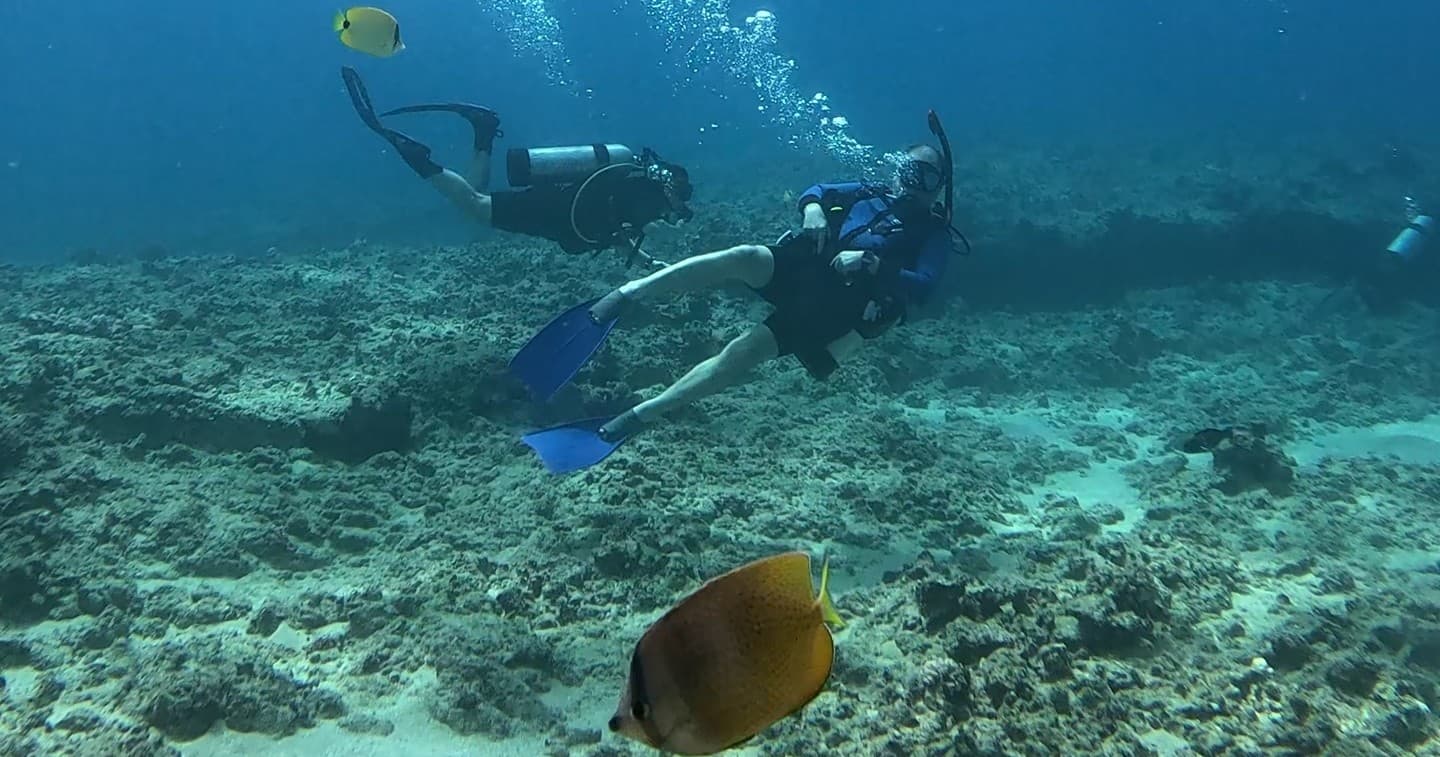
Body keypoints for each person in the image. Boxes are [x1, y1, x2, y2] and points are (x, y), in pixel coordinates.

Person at [513, 112, 969, 473]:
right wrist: (812, 211)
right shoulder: (869, 191)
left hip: (834, 305)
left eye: (928, 179)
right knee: (745, 255)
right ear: (898, 169)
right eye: (911, 171)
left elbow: (925, 287)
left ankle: (634, 418)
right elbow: (818, 190)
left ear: (939, 187)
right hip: (805, 266)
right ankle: (627, 293)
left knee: (742, 353)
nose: (915, 184)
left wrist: (873, 263)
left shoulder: (932, 232)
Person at [339, 67, 694, 265]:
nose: (678, 216)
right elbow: (615, 225)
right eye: (681, 207)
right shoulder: (647, 200)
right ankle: (417, 156)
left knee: (476, 198)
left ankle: (484, 130)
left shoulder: (640, 189)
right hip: (553, 211)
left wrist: (647, 262)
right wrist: (648, 256)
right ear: (671, 191)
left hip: (558, 211)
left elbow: (613, 228)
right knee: (475, 207)